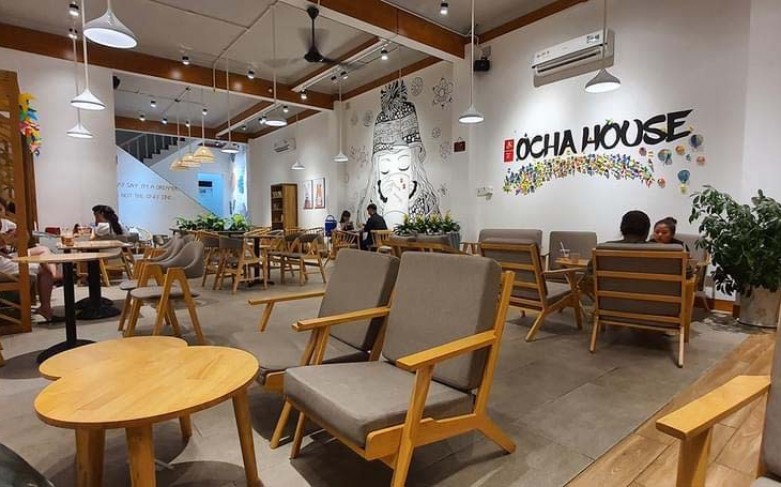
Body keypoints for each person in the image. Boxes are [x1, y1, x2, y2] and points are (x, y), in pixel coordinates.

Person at [0, 245, 62, 323]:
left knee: (43, 250)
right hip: (2, 265)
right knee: (43, 267)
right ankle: (45, 308)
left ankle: (54, 274)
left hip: (3, 257)